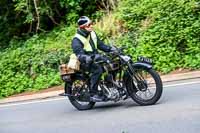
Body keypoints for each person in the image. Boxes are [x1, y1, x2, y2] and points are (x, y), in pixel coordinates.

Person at [71, 16, 115, 101]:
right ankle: (93, 93)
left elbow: (100, 45)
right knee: (97, 70)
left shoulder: (92, 33)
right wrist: (86, 58)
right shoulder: (76, 39)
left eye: (91, 24)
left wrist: (110, 49)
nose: (91, 26)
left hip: (95, 57)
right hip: (84, 61)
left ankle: (110, 84)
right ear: (83, 27)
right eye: (88, 25)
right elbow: (79, 54)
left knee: (112, 63)